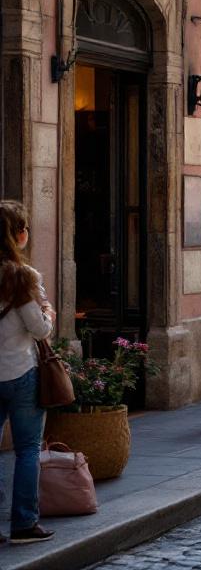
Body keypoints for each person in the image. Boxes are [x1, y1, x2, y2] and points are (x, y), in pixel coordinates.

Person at [0, 201, 55, 544]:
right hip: (19, 371)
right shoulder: (22, 276)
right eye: (25, 228)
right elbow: (39, 329)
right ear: (18, 234)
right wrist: (48, 313)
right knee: (28, 449)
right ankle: (23, 523)